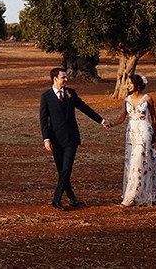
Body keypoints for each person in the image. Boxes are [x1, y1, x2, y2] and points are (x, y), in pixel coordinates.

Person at [104, 73, 156, 206]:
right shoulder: (127, 99)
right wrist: (111, 123)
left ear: (137, 85)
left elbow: (154, 118)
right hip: (131, 134)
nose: (127, 86)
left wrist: (154, 134)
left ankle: (131, 196)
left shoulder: (147, 99)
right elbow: (122, 117)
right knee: (139, 161)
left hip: (144, 131)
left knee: (137, 161)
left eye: (130, 83)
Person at [39, 67, 107, 210]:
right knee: (62, 170)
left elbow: (85, 108)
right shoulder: (46, 96)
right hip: (55, 139)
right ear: (55, 79)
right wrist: (46, 139)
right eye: (63, 77)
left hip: (71, 138)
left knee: (67, 168)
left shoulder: (71, 93)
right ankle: (72, 198)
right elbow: (43, 119)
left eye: (66, 77)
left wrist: (101, 121)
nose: (66, 79)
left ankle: (56, 199)